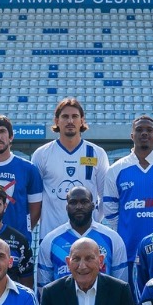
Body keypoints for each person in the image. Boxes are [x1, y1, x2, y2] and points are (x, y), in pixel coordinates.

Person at [104, 115, 153, 259]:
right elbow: (110, 211)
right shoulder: (115, 170)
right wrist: (126, 233)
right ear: (132, 136)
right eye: (139, 130)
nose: (144, 133)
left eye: (149, 130)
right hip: (128, 251)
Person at [32, 97, 111, 238]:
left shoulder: (97, 153)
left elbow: (104, 195)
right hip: (51, 235)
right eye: (65, 117)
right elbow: (34, 199)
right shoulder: (41, 154)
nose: (70, 121)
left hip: (87, 235)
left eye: (75, 116)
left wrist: (94, 220)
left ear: (82, 120)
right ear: (57, 121)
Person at [38, 185, 129, 287]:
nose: (79, 207)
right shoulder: (50, 241)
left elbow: (121, 285)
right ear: (67, 207)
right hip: (64, 303)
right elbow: (43, 286)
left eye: (84, 202)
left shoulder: (112, 239)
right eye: (73, 202)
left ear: (93, 205)